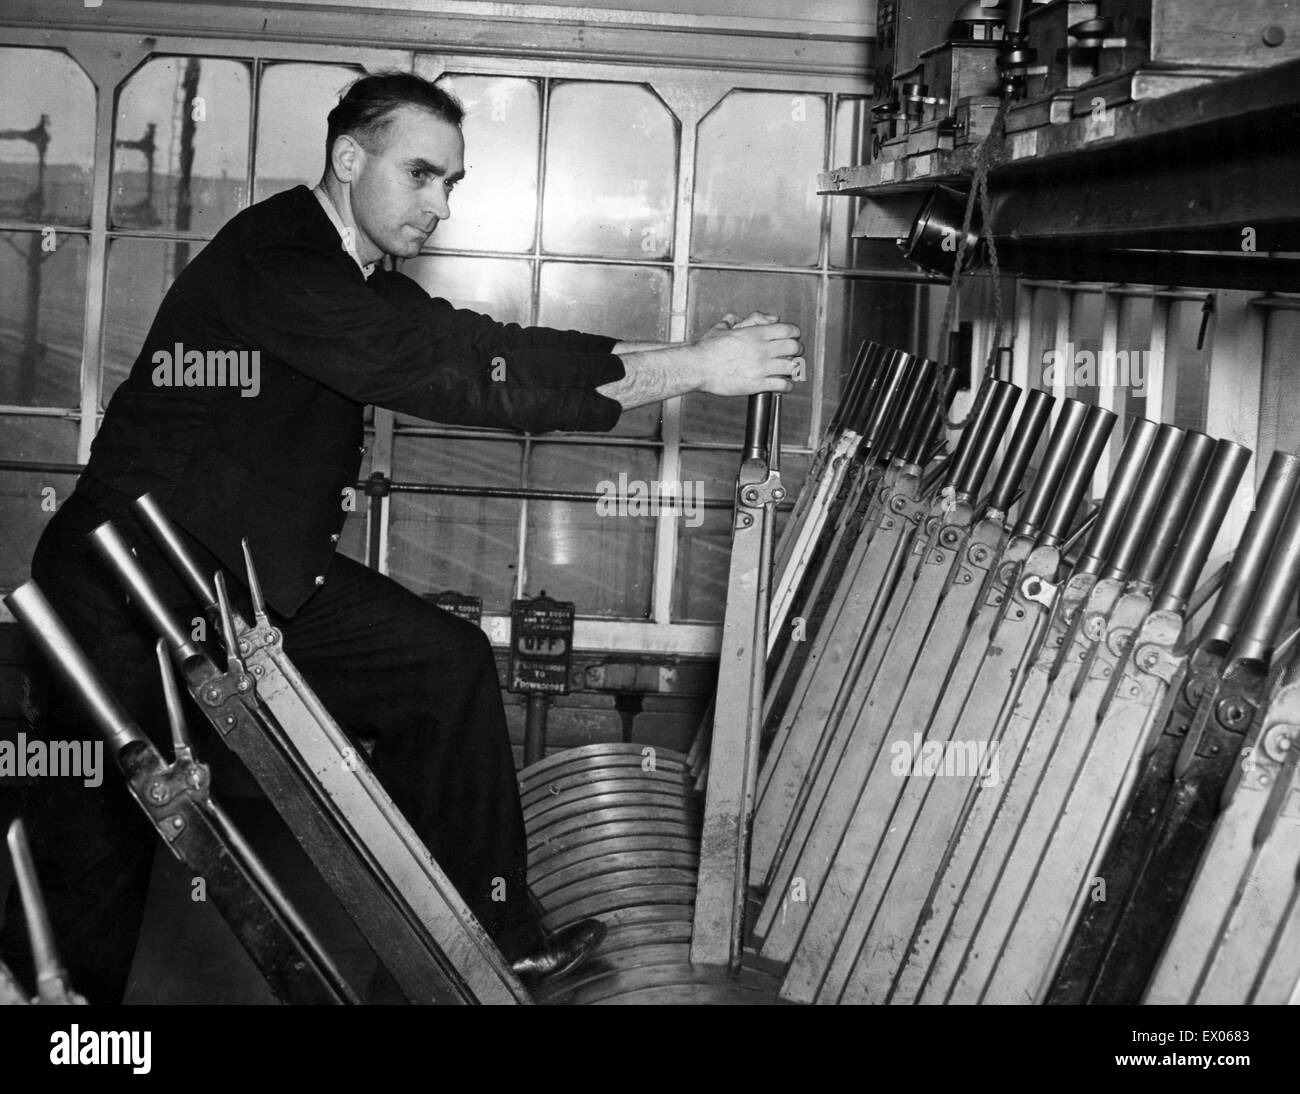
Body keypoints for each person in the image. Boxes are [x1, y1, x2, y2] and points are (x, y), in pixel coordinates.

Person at [0, 71, 801, 1002]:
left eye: (451, 184)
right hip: (124, 581)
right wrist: (698, 368)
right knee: (93, 849)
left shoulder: (352, 273)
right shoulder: (280, 260)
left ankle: (493, 939)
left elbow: (488, 347)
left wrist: (686, 359)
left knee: (444, 664)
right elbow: (454, 378)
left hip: (235, 570)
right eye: (421, 175)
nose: (438, 204)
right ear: (348, 159)